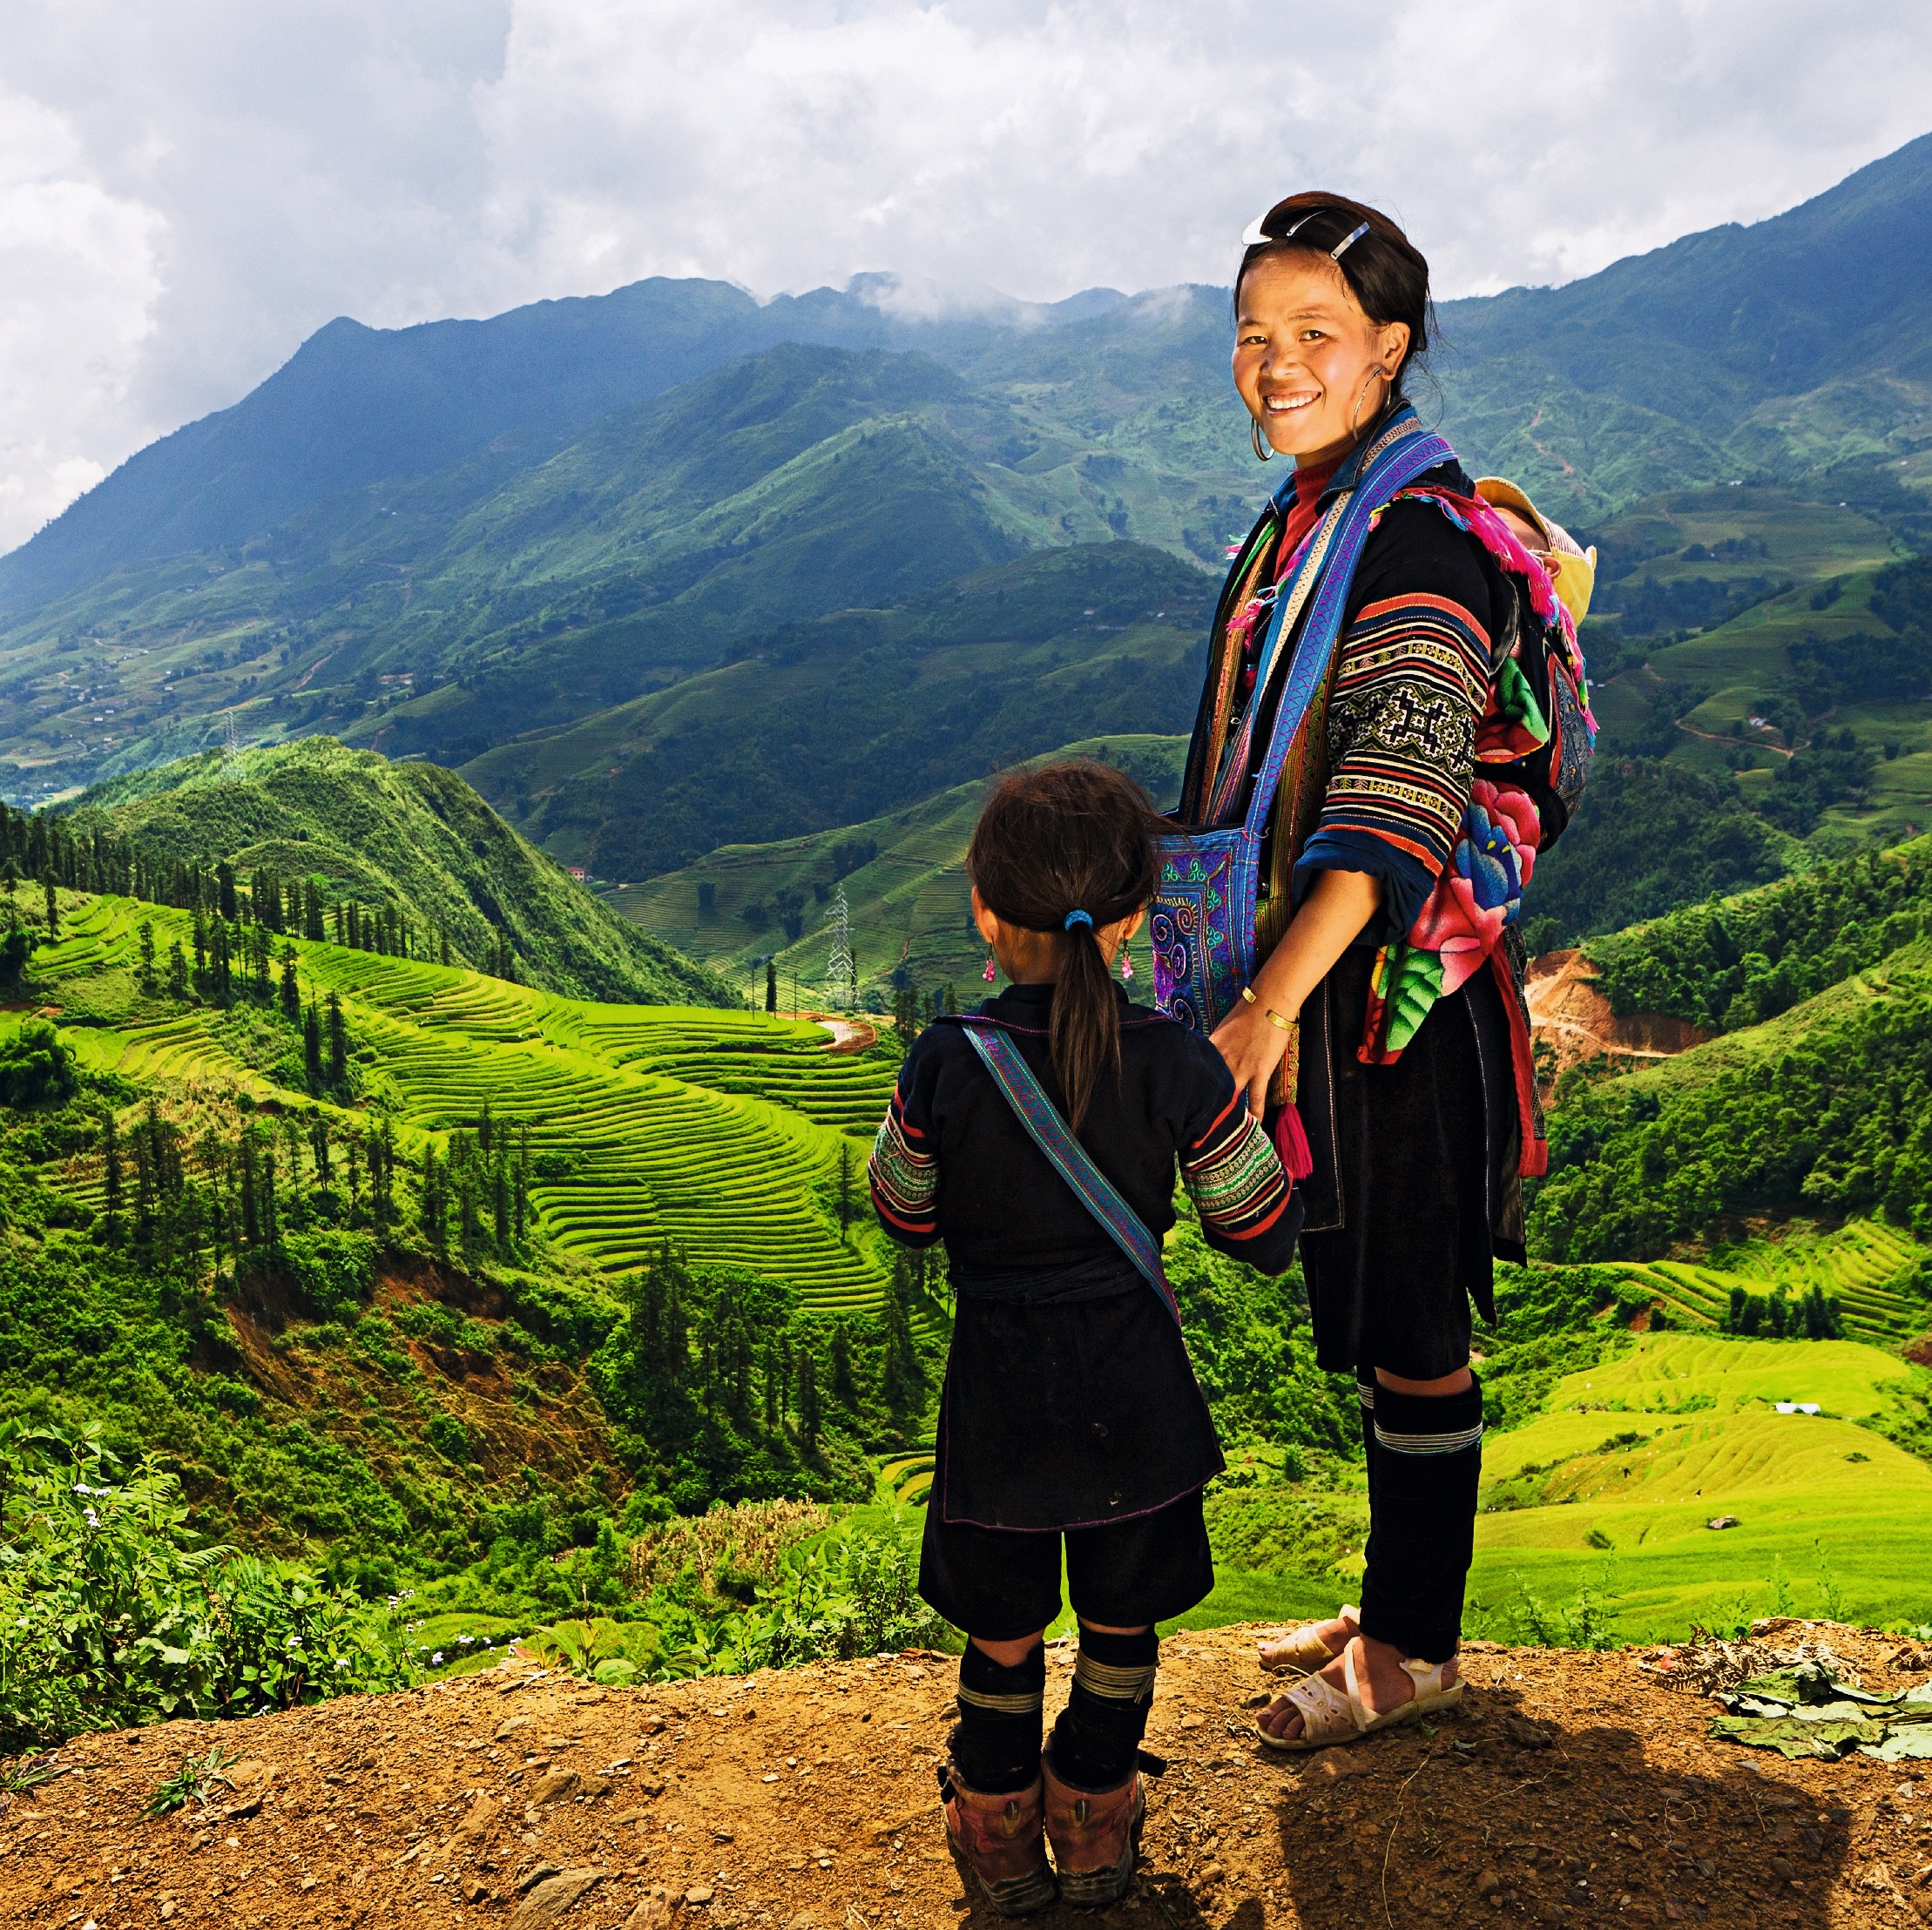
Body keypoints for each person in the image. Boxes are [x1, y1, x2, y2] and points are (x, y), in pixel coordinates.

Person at [1159, 193, 1591, 1748]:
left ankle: (1415, 1649)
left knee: (1410, 1319)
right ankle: (1397, 1593)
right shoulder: (1306, 516)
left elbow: (1395, 799)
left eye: (1314, 338)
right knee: (1367, 1303)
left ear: (1390, 348)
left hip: (1383, 1004)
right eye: (1253, 338)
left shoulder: (1409, 539)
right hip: (1319, 985)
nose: (1275, 368)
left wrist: (1268, 1002)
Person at [869, 760, 1300, 1913]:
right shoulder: (1171, 1058)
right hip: (1135, 1399)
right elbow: (1255, 1227)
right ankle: (1096, 1824)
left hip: (997, 1399)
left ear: (981, 912)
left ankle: (999, 1837)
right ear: (1128, 920)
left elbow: (901, 1212)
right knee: (1119, 1625)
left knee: (1003, 1635)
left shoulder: (946, 1059)